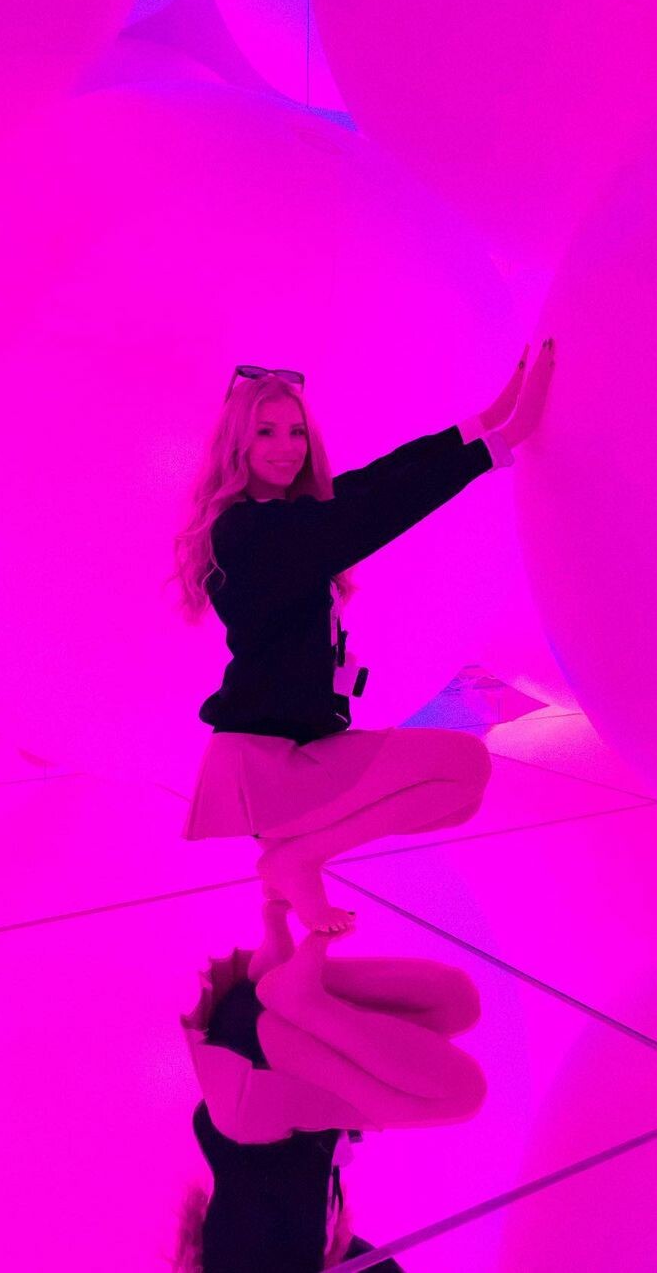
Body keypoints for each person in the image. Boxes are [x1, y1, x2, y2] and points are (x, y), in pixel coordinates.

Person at [168, 341, 556, 934]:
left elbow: (378, 481)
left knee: (459, 800)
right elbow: (374, 512)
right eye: (265, 432)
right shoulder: (249, 530)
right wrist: (496, 448)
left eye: (296, 432)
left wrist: (484, 421)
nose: (286, 447)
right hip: (268, 766)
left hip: (293, 753)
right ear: (236, 443)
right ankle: (299, 858)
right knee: (466, 766)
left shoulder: (282, 518)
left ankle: (292, 857)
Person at [171, 895, 485, 1272]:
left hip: (264, 1083)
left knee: (462, 1093)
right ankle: (284, 961)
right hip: (244, 1027)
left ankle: (299, 997)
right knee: (456, 1003)